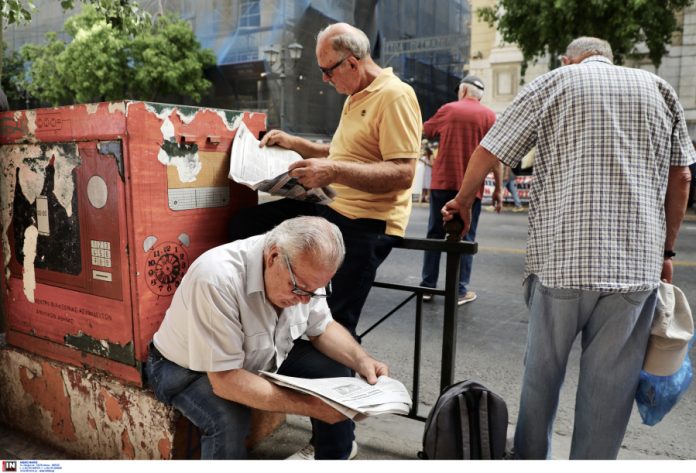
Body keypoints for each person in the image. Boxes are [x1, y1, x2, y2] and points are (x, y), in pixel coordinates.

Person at [442, 37, 695, 459]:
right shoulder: (658, 88)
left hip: (562, 261)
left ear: (568, 59)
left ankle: (530, 462)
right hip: (634, 269)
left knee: (541, 377)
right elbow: (682, 177)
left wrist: (463, 202)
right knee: (610, 390)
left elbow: (491, 149)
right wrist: (666, 253)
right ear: (611, 59)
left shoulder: (554, 82)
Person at [229, 22, 422, 341]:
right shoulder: (355, 94)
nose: (324, 79)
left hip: (366, 222)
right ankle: (260, 320)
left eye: (328, 71)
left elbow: (403, 173)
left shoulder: (395, 96)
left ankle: (339, 379)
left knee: (333, 323)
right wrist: (296, 144)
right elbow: (339, 151)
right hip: (329, 206)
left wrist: (333, 172)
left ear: (351, 62)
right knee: (244, 226)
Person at [146, 216, 389, 460]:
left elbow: (322, 327)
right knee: (229, 419)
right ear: (273, 257)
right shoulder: (217, 277)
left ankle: (334, 457)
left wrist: (361, 359)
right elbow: (225, 380)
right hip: (183, 368)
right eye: (299, 288)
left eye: (314, 291)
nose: (305, 299)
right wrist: (311, 406)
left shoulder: (305, 273)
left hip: (262, 354)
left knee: (336, 369)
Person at [419, 75, 501, 306]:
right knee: (466, 236)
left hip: (442, 183)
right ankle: (460, 290)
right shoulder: (489, 116)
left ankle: (427, 287)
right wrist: (498, 188)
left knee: (435, 235)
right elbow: (495, 157)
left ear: (463, 90)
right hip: (471, 188)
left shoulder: (449, 109)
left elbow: (425, 130)